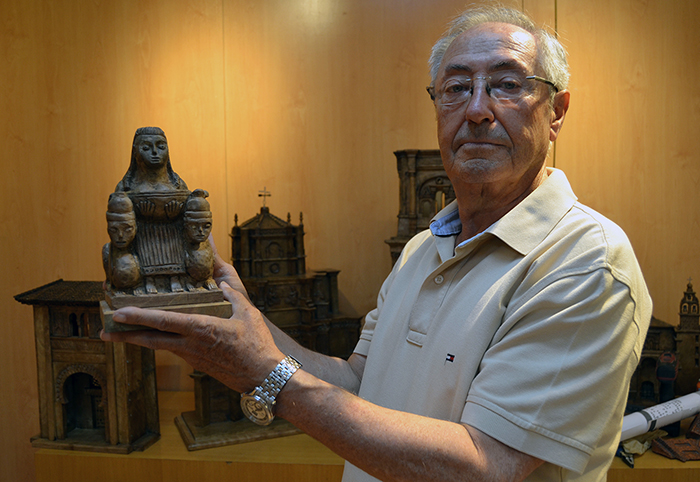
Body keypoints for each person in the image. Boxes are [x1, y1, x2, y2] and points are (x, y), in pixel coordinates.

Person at [101, 6, 652, 481]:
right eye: (457, 88)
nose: (478, 109)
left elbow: (485, 466)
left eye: (507, 84)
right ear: (437, 106)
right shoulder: (422, 249)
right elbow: (360, 382)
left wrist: (261, 372)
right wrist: (236, 321)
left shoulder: (586, 262)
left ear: (556, 112)